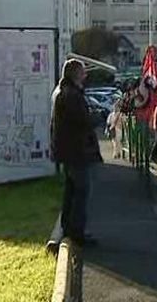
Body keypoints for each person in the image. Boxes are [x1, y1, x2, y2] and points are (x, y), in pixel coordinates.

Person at [50, 59, 102, 247]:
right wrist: (98, 117)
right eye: (82, 72)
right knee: (81, 192)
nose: (85, 75)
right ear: (75, 74)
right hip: (77, 151)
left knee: (72, 192)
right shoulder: (72, 95)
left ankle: (68, 228)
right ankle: (77, 232)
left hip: (69, 151)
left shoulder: (63, 92)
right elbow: (83, 121)